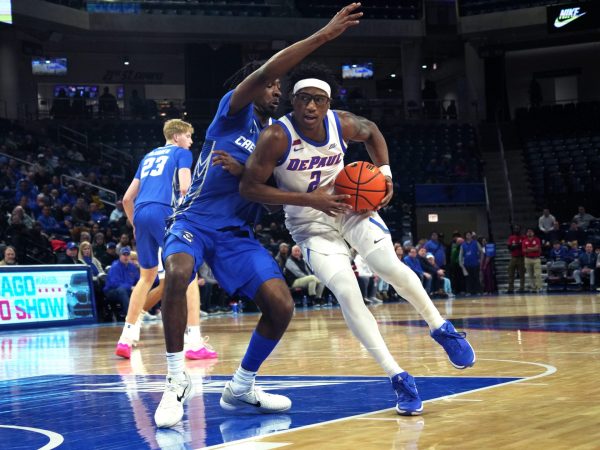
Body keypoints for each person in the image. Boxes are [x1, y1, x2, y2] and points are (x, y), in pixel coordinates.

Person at [154, 3, 363, 429]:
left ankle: (242, 386)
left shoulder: (277, 139)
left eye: (277, 87)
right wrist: (323, 35)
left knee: (281, 305)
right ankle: (176, 379)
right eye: (270, 85)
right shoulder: (232, 114)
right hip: (194, 221)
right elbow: (267, 70)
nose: (274, 89)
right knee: (176, 274)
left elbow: (270, 200)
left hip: (237, 234)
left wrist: (246, 176)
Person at [239, 62, 475, 417]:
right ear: (293, 99)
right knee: (348, 292)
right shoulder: (277, 136)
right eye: (303, 99)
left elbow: (374, 132)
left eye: (318, 100)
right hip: (309, 224)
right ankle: (397, 377)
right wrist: (310, 200)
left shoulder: (342, 123)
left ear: (329, 103)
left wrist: (386, 175)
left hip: (351, 206)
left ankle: (441, 327)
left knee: (387, 266)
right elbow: (250, 188)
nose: (310, 107)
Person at [115, 119, 213, 360]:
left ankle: (126, 338)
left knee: (146, 277)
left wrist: (135, 224)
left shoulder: (147, 157)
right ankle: (194, 342)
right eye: (189, 136)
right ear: (178, 135)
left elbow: (127, 199)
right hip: (164, 212)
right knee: (188, 274)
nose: (191, 142)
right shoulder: (181, 153)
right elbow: (184, 188)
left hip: (140, 213)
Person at [103, 246, 139, 321]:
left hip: (127, 289)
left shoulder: (132, 266)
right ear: (120, 256)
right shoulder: (115, 267)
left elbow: (138, 279)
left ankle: (148, 312)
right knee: (122, 291)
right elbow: (115, 284)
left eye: (127, 255)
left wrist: (139, 286)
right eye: (124, 255)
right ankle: (130, 316)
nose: (126, 257)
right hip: (112, 291)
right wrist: (130, 287)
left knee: (143, 288)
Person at [459, 231, 482, 295]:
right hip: (467, 264)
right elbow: (460, 255)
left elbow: (481, 251)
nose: (468, 236)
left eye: (469, 234)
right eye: (467, 235)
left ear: (471, 236)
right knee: (468, 279)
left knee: (476, 278)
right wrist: (461, 265)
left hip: (475, 264)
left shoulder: (475, 243)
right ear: (465, 236)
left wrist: (480, 259)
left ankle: (478, 291)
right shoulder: (463, 245)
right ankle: (469, 291)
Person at [522, 227, 542, 292]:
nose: (529, 233)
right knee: (530, 275)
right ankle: (533, 288)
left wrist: (529, 248)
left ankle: (539, 287)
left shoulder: (537, 239)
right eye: (528, 232)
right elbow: (524, 250)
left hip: (536, 259)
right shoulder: (524, 241)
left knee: (538, 274)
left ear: (533, 233)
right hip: (527, 259)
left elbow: (537, 249)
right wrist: (533, 248)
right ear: (526, 233)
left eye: (531, 231)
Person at [506, 225, 525, 293]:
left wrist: (515, 246)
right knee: (511, 273)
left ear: (520, 229)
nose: (516, 230)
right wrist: (517, 245)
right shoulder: (511, 237)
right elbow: (509, 247)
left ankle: (522, 288)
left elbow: (522, 246)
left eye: (517, 228)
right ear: (513, 230)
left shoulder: (523, 237)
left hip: (521, 258)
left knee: (521, 274)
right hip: (513, 257)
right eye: (515, 229)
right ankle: (510, 288)